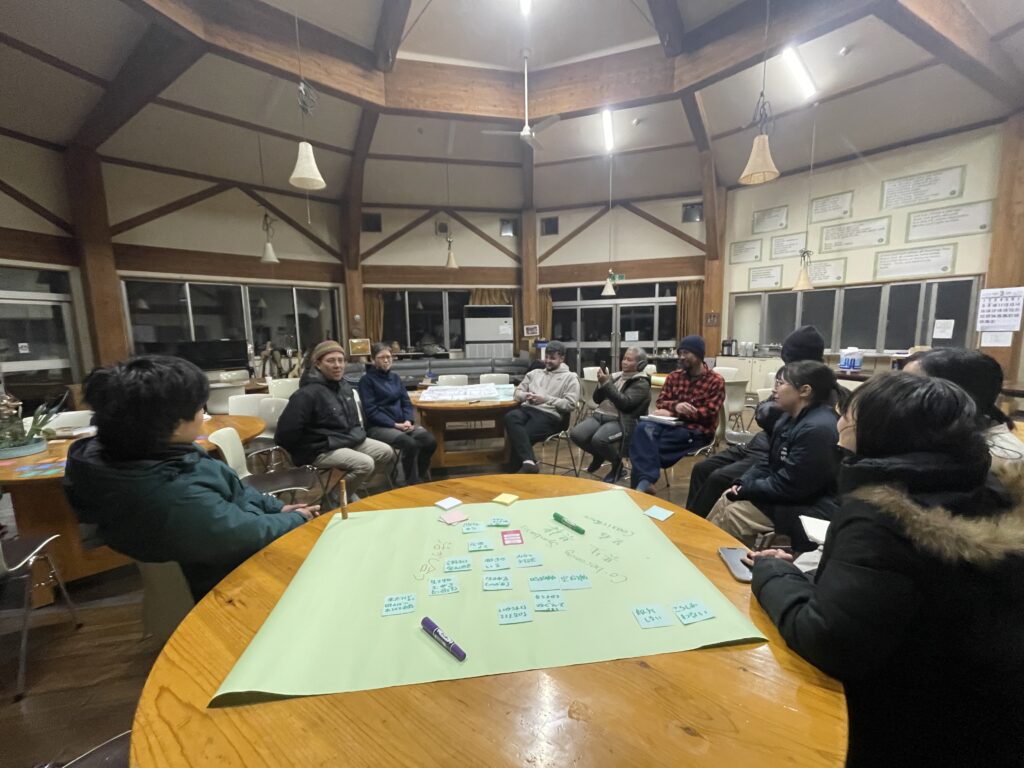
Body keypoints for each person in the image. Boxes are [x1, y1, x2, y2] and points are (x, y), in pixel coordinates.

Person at [746, 372, 1024, 765]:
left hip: (908, 728)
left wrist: (773, 573)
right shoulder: (990, 491)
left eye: (848, 417)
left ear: (880, 433)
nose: (838, 425)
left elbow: (828, 639)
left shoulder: (884, 518)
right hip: (988, 715)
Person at [64, 356, 319, 601]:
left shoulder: (155, 451)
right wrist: (296, 519)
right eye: (199, 407)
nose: (203, 414)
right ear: (173, 424)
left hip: (229, 555)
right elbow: (239, 534)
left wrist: (276, 508)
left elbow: (234, 492)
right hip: (222, 587)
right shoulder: (170, 494)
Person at [687, 325, 830, 517]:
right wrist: (782, 409)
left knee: (718, 478)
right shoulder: (789, 382)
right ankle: (689, 520)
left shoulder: (824, 389)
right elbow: (762, 411)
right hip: (760, 442)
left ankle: (702, 527)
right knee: (701, 468)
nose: (786, 366)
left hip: (776, 452)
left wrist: (782, 411)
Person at [706, 361, 839, 551]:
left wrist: (748, 490)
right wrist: (743, 482)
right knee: (727, 497)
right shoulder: (788, 418)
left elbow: (793, 486)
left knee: (734, 514)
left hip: (810, 504)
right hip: (789, 494)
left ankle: (724, 562)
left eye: (780, 383)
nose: (774, 390)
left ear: (805, 391)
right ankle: (704, 553)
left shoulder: (817, 429)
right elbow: (769, 462)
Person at [275, 341, 396, 502]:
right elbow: (284, 435)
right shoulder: (306, 394)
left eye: (341, 360)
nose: (337, 365)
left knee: (385, 451)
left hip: (345, 440)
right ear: (318, 364)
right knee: (365, 464)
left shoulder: (344, 387)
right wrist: (306, 449)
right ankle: (333, 500)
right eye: (331, 361)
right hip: (319, 449)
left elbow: (353, 421)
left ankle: (351, 487)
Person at [628, 335, 724, 494]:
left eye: (686, 353)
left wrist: (675, 413)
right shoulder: (674, 376)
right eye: (680, 353)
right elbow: (661, 402)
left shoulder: (715, 380)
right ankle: (645, 484)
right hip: (668, 425)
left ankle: (641, 487)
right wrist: (676, 407)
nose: (681, 357)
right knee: (642, 429)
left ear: (699, 355)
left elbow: (708, 414)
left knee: (643, 447)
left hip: (696, 430)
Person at [903, 347, 1024, 467]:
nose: (898, 393)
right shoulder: (936, 432)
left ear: (954, 393)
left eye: (912, 387)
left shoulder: (994, 461)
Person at [358, 342, 437, 484]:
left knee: (429, 441)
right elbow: (371, 411)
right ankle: (409, 481)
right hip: (379, 427)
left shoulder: (395, 378)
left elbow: (406, 402)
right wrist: (395, 425)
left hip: (402, 424)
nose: (386, 360)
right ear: (373, 359)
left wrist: (408, 420)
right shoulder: (366, 381)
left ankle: (418, 475)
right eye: (381, 357)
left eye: (388, 357)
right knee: (409, 444)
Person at [570, 346, 651, 483]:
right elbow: (597, 399)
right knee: (576, 434)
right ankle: (599, 455)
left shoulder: (641, 383)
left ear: (640, 364)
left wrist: (606, 383)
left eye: (629, 360)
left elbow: (624, 403)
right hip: (600, 415)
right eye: (624, 358)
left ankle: (617, 465)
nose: (624, 362)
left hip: (621, 420)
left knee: (599, 440)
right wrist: (601, 383)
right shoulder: (616, 376)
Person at [505, 340, 581, 473]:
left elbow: (570, 404)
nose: (547, 361)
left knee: (521, 435)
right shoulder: (535, 373)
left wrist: (546, 399)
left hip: (549, 415)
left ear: (562, 359)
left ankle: (515, 472)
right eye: (546, 357)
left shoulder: (570, 378)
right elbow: (517, 392)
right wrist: (525, 396)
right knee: (510, 416)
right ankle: (529, 463)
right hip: (528, 408)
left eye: (552, 358)